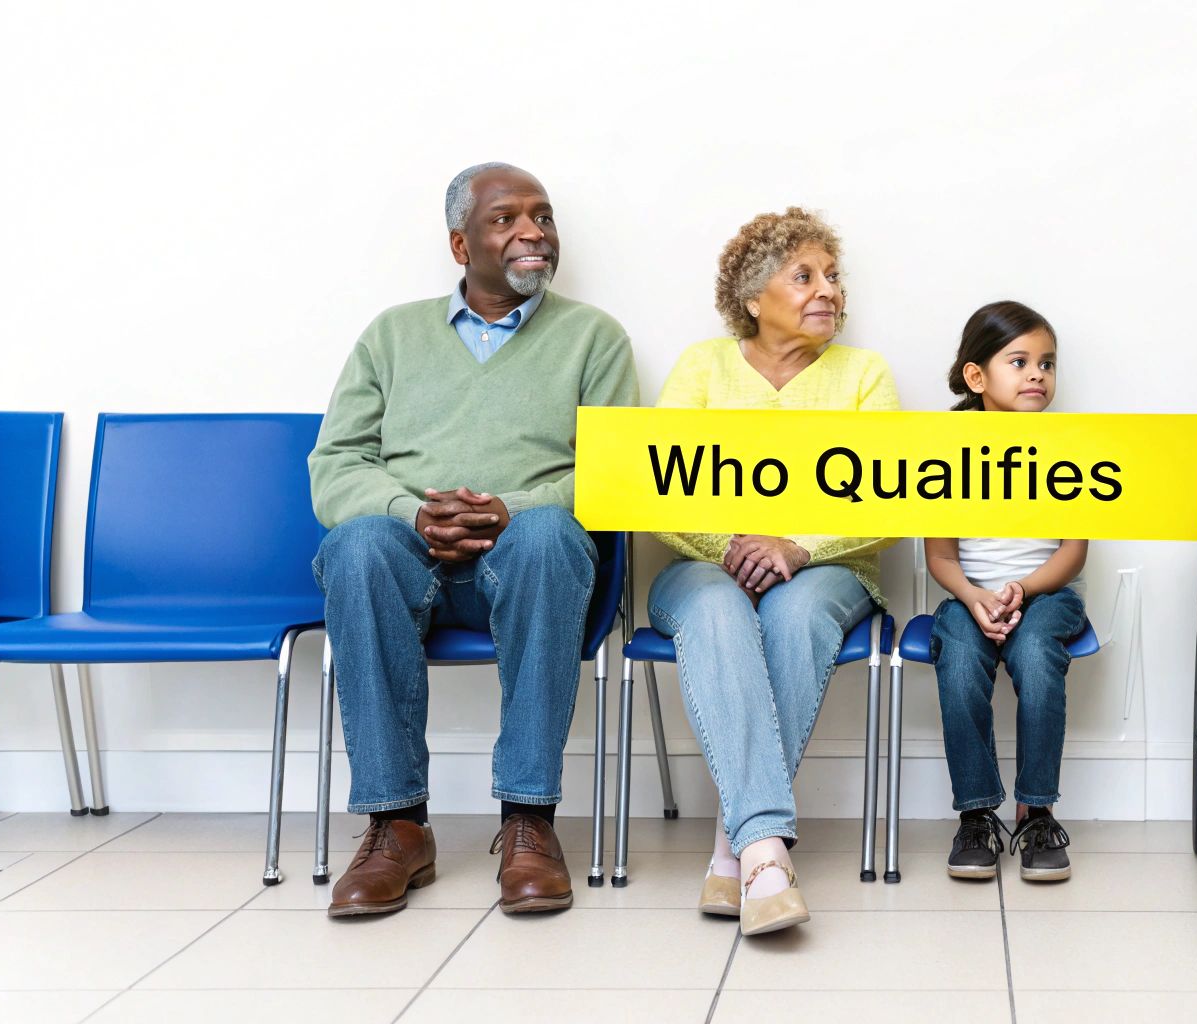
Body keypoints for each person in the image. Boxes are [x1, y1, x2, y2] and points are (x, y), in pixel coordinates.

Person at [308, 162, 638, 918]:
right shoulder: (391, 335)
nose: (533, 233)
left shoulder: (593, 337)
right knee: (357, 546)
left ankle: (528, 820)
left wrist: (510, 509)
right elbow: (334, 465)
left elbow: (615, 474)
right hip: (407, 556)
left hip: (530, 563)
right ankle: (396, 825)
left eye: (543, 217)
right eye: (506, 219)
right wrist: (411, 512)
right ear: (461, 245)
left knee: (552, 535)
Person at [649, 207, 898, 935]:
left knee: (792, 611)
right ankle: (764, 851)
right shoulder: (703, 366)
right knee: (720, 611)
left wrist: (796, 546)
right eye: (806, 276)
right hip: (703, 566)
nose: (830, 291)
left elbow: (890, 499)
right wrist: (731, 543)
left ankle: (739, 849)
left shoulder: (864, 374)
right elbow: (655, 487)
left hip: (830, 570)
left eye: (834, 276)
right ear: (755, 298)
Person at [926, 301, 1087, 883]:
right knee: (962, 660)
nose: (1037, 375)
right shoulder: (947, 451)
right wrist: (974, 597)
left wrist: (1020, 588)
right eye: (1018, 362)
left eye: (1046, 363)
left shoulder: (1070, 445)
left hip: (1046, 594)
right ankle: (976, 816)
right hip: (968, 596)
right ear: (977, 377)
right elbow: (940, 555)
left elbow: (1073, 552)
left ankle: (1036, 810)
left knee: (1039, 659)